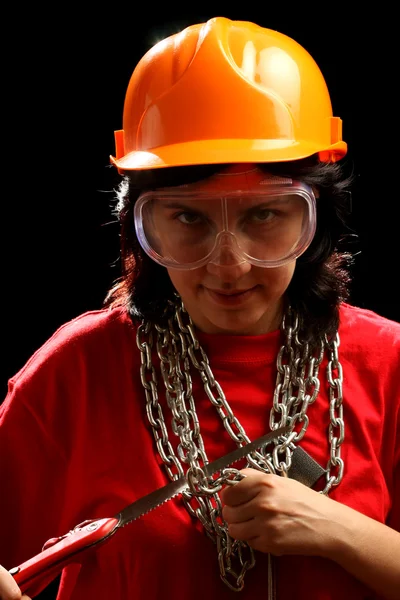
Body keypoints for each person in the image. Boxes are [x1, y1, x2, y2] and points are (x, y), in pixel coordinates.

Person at [0, 15, 399, 600]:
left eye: (264, 215)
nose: (228, 264)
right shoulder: (74, 372)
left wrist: (339, 530)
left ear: (316, 218)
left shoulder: (387, 363)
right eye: (188, 218)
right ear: (139, 225)